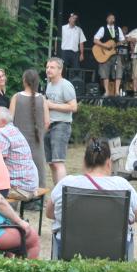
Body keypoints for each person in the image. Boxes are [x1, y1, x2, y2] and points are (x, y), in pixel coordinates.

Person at [46, 137, 137, 260]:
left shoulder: (66, 183)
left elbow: (49, 213)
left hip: (71, 250)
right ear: (109, 163)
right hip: (114, 250)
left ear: (84, 162)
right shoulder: (122, 185)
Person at [10, 69, 49, 187]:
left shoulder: (16, 97)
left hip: (18, 143)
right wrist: (41, 134)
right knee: (39, 170)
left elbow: (9, 120)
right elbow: (47, 122)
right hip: (37, 141)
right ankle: (37, 202)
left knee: (17, 171)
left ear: (24, 81)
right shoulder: (42, 98)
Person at [0, 107, 38, 197]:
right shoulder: (14, 130)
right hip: (29, 185)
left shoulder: (1, 132)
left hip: (19, 188)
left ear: (3, 121)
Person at [43, 57, 77, 185]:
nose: (48, 70)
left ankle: (63, 193)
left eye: (52, 67)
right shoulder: (49, 85)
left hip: (61, 125)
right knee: (51, 163)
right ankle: (57, 190)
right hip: (50, 125)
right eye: (47, 67)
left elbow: (73, 107)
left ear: (60, 70)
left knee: (58, 162)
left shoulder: (66, 85)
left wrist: (51, 105)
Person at [93, 13, 125, 96]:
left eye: (113, 18)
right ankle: (107, 91)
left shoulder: (118, 29)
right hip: (105, 55)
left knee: (119, 70)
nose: (112, 19)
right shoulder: (103, 28)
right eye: (110, 18)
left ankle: (117, 92)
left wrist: (126, 40)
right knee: (105, 72)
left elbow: (122, 40)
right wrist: (105, 46)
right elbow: (95, 40)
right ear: (107, 19)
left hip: (116, 53)